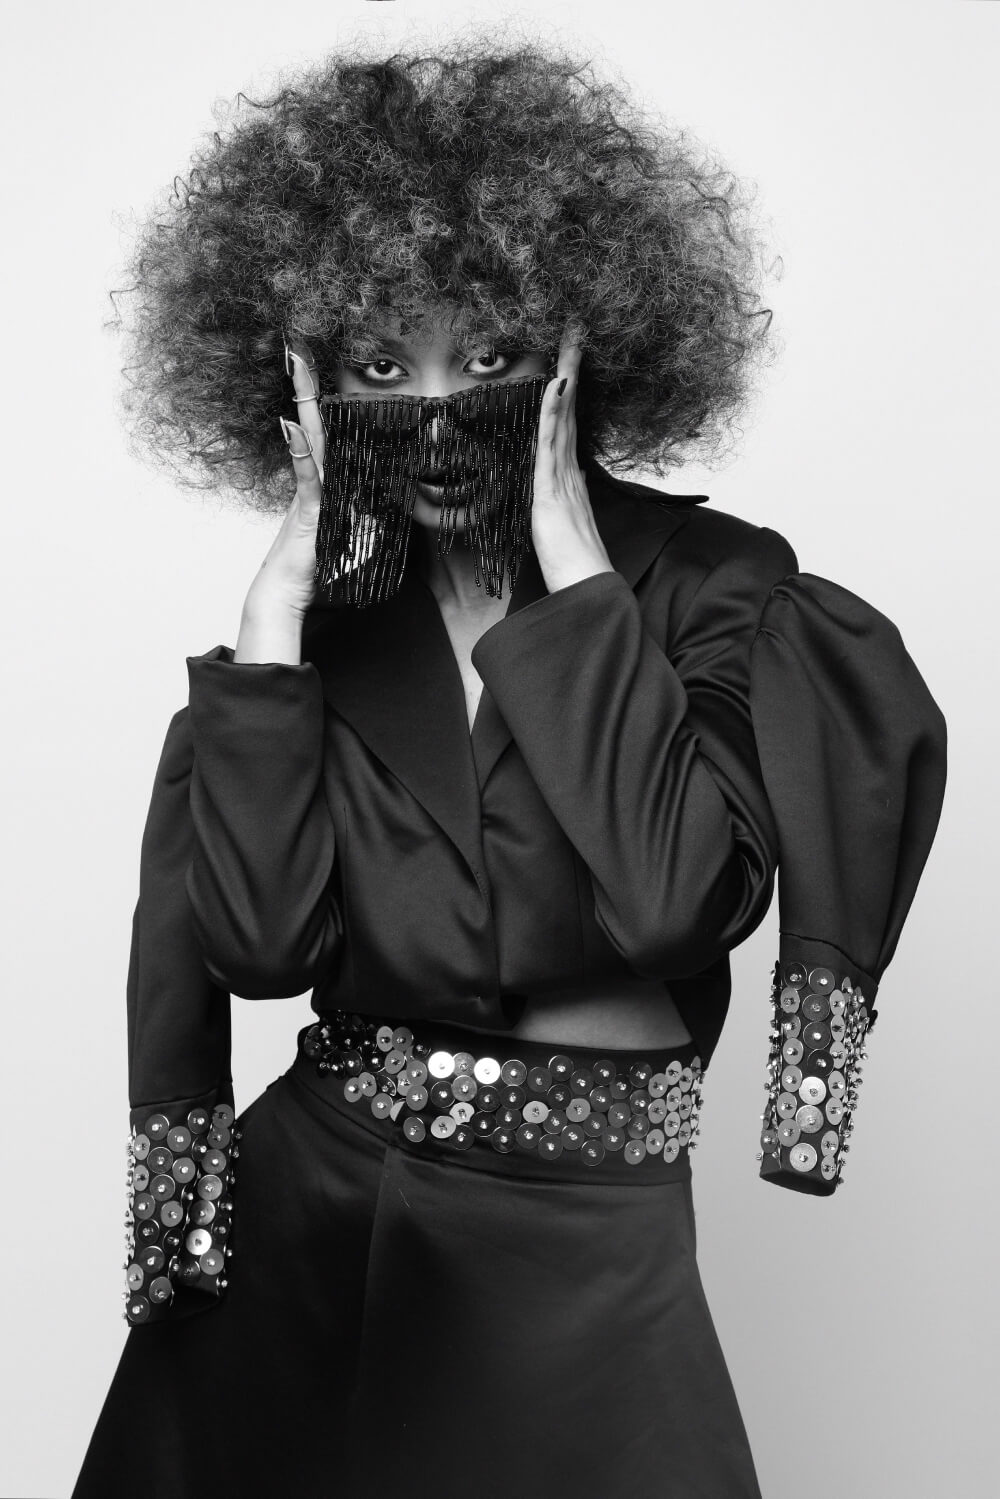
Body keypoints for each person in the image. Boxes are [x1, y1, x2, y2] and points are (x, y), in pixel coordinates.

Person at [71, 39, 948, 1499]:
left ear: (576, 353)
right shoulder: (318, 641)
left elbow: (673, 905)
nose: (434, 414)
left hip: (585, 1239)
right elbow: (261, 950)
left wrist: (578, 582)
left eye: (486, 359)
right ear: (304, 387)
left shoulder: (717, 592)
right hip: (315, 1212)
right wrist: (273, 632)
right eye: (380, 368)